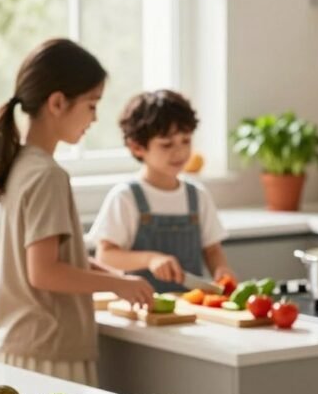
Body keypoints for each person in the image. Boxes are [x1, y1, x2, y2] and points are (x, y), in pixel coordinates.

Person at [0, 38, 154, 385]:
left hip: (23, 345)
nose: (95, 117)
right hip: (49, 353)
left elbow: (55, 256)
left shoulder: (20, 164)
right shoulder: (47, 175)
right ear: (57, 103)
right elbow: (44, 272)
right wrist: (115, 286)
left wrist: (117, 280)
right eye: (91, 105)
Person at [89, 89, 235, 292]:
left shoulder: (197, 195)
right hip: (141, 309)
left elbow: (212, 250)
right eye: (167, 145)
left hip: (191, 309)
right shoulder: (125, 197)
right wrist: (150, 259)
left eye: (186, 141)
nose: (180, 152)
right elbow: (106, 256)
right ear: (137, 147)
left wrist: (222, 271)